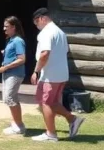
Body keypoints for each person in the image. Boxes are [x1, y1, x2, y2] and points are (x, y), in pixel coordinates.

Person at [31, 8, 84, 142]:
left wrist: (36, 71)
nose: (37, 26)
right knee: (53, 102)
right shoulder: (60, 32)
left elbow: (45, 54)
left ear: (42, 18)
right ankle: (72, 119)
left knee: (45, 103)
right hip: (61, 74)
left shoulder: (46, 32)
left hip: (50, 75)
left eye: (37, 23)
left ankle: (51, 134)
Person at [0, 16, 28, 136]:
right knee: (9, 99)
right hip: (8, 73)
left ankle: (19, 126)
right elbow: (14, 55)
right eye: (4, 26)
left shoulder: (18, 40)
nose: (4, 29)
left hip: (14, 74)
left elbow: (21, 59)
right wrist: (6, 53)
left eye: (7, 26)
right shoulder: (11, 40)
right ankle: (16, 124)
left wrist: (6, 66)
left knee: (10, 98)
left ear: (13, 27)